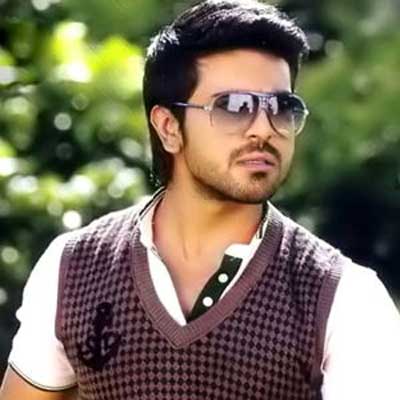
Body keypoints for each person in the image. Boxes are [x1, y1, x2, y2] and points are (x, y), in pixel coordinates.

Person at [1, 0, 400, 399]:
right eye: (235, 107)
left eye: (282, 107)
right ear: (168, 127)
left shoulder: (344, 297)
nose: (264, 129)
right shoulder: (75, 267)